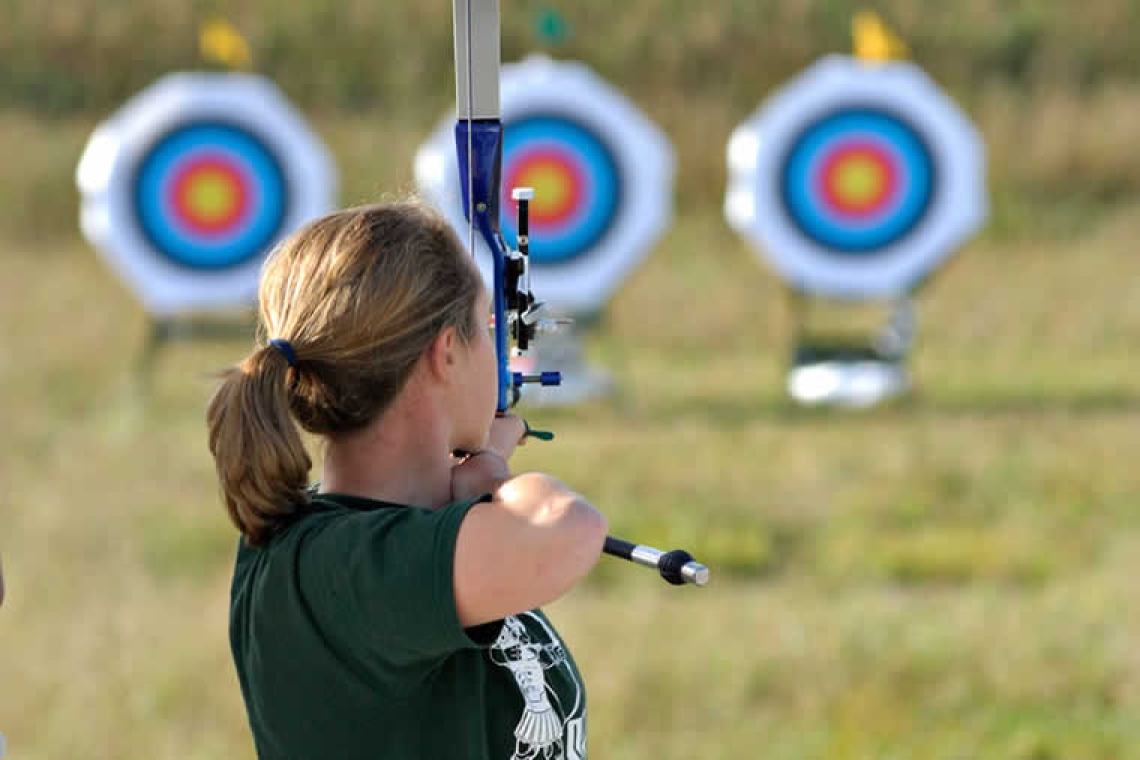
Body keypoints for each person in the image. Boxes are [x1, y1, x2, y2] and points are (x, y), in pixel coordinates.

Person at [206, 201, 607, 760]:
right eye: (483, 327)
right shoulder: (337, 571)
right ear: (446, 352)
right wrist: (492, 472)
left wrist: (469, 487)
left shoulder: (375, 544)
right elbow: (565, 528)